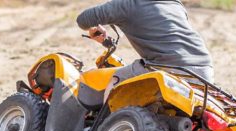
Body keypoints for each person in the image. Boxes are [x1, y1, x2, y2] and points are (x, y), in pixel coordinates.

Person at [76, 0, 214, 88]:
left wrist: (97, 29)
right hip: (205, 70)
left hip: (168, 68)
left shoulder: (126, 5)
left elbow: (83, 20)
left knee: (106, 83)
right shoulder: (174, 3)